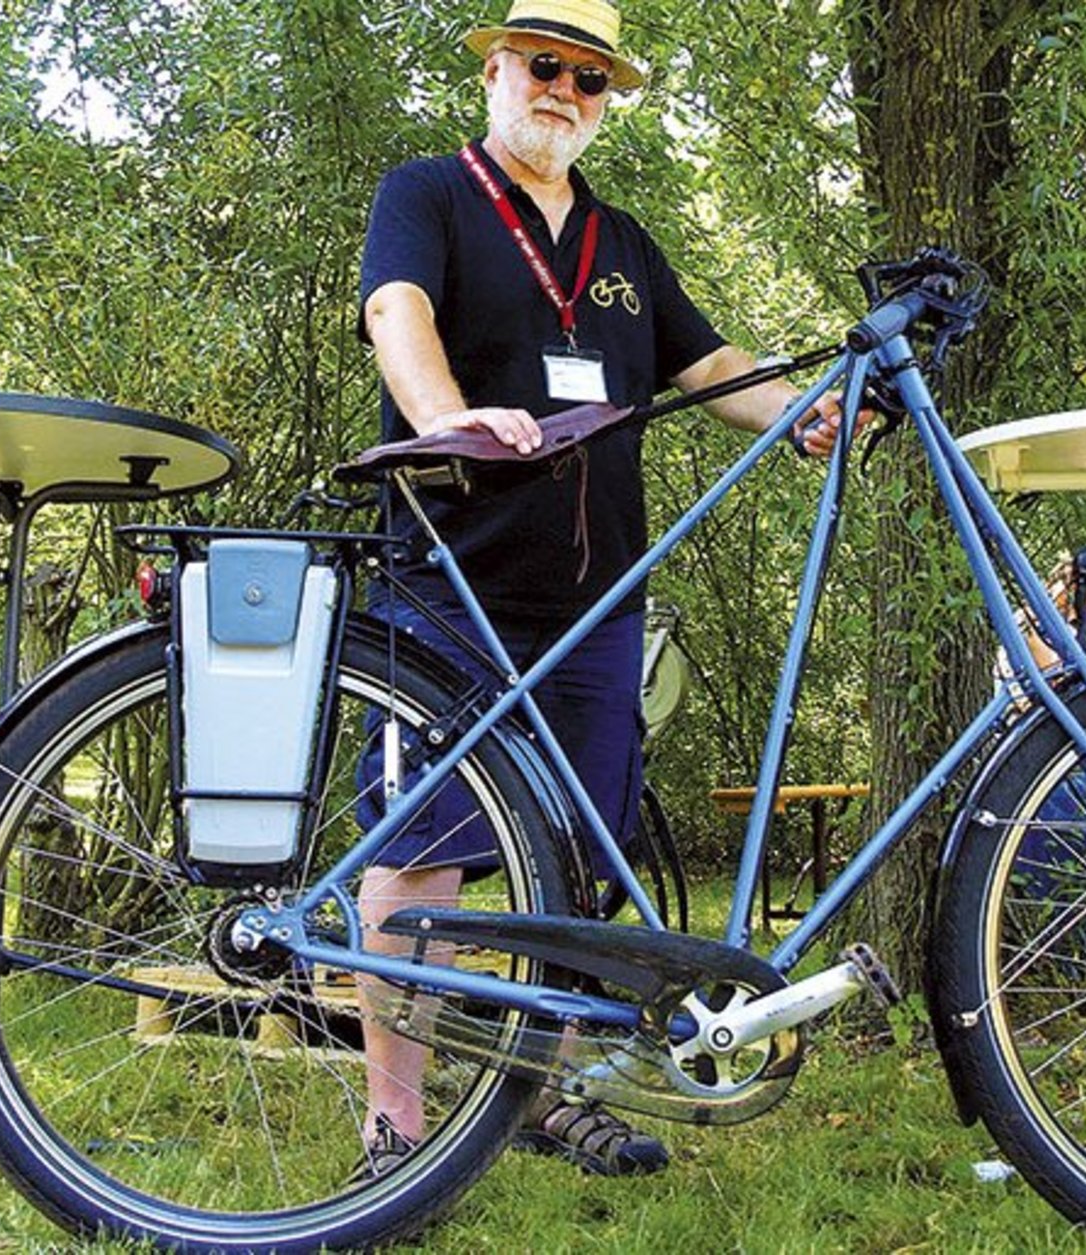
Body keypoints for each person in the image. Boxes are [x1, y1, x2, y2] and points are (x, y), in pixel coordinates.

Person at [353, 0, 849, 1179]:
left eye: (591, 77)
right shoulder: (427, 193)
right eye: (545, 65)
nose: (565, 90)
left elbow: (719, 366)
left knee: (577, 854)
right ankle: (397, 1128)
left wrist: (803, 413)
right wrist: (446, 418)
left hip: (598, 604)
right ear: (496, 71)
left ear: (607, 100)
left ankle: (546, 1093)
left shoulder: (623, 244)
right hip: (450, 585)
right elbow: (396, 311)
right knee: (421, 853)